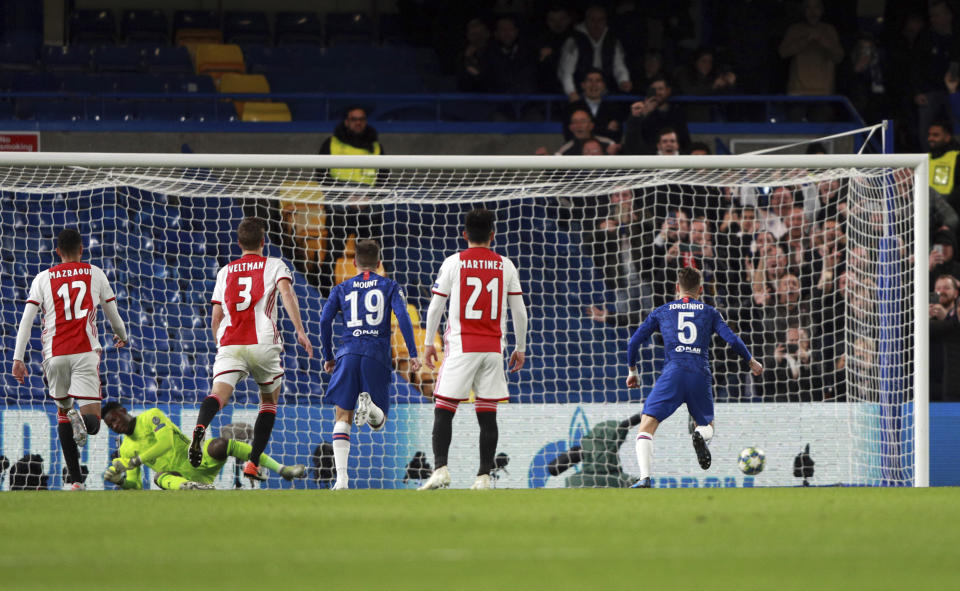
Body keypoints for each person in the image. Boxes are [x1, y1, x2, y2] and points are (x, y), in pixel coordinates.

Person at [189, 217, 313, 481]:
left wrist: (219, 344)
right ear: (263, 242)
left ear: (238, 243)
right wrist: (300, 331)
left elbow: (215, 317)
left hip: (230, 342)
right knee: (268, 402)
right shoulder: (275, 265)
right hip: (263, 342)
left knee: (218, 395)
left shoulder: (225, 271)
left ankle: (200, 426)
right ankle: (253, 463)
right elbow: (287, 294)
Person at [418, 208, 528, 490]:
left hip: (462, 347)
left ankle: (441, 468)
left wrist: (429, 343)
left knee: (444, 409)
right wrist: (521, 347)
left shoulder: (454, 262)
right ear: (493, 235)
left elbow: (435, 307)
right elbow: (520, 312)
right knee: (487, 413)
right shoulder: (506, 265)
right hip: (493, 349)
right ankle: (483, 478)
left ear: (464, 234)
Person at [11, 228, 128, 491]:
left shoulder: (43, 278)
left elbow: (26, 321)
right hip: (85, 353)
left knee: (63, 413)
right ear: (82, 249)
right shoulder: (94, 273)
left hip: (55, 355)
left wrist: (18, 358)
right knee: (94, 425)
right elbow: (112, 312)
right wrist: (122, 335)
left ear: (57, 251)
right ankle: (80, 421)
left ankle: (75, 481)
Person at [625, 267, 762, 488]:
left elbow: (633, 342)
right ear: (701, 289)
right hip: (700, 372)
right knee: (708, 426)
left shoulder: (662, 311)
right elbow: (732, 340)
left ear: (677, 288)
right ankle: (699, 434)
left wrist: (632, 371)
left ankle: (644, 478)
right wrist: (751, 361)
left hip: (673, 372)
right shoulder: (709, 312)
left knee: (647, 426)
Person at [319, 239, 421, 490]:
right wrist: (414, 352)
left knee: (342, 416)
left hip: (347, 353)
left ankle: (341, 480)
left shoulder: (341, 288)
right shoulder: (389, 286)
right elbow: (405, 319)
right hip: (376, 353)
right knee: (379, 421)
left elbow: (324, 321)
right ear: (379, 263)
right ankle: (371, 407)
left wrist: (328, 355)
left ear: (354, 262)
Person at [102, 402, 305, 490]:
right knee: (159, 477)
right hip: (177, 476)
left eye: (114, 419)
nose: (114, 425)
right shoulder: (126, 449)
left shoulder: (151, 416)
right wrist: (121, 481)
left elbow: (165, 443)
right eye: (110, 425)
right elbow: (136, 485)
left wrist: (135, 461)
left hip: (195, 460)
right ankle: (190, 487)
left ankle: (283, 469)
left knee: (220, 444)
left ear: (122, 410)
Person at [777, 0, 844, 121]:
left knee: (821, 135)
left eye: (816, 7)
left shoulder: (829, 30)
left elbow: (838, 57)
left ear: (822, 10)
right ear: (803, 10)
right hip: (797, 91)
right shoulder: (795, 29)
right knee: (797, 135)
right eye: (808, 8)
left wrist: (822, 41)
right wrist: (806, 39)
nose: (812, 12)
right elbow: (783, 53)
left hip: (823, 93)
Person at [557, 4, 632, 101]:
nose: (596, 24)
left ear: (605, 21)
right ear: (586, 21)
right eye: (592, 20)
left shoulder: (612, 40)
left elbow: (619, 66)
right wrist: (571, 92)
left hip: (604, 93)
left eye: (600, 20)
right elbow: (566, 72)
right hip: (578, 92)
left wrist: (624, 80)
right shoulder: (574, 40)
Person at [622, 76, 691, 155]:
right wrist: (643, 115)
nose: (657, 93)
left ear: (668, 90)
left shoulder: (677, 113)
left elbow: (685, 142)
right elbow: (632, 143)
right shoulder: (642, 114)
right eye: (654, 90)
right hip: (648, 160)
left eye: (660, 89)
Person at [565, 68, 624, 142]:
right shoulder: (572, 108)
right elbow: (568, 134)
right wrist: (604, 128)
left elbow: (617, 137)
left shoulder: (614, 108)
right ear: (583, 85)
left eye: (598, 81)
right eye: (590, 81)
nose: (594, 85)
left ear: (604, 86)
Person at [930, 274, 960, 401]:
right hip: (930, 382)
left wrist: (947, 316)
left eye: (946, 288)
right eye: (938, 288)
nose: (941, 291)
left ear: (955, 293)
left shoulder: (957, 316)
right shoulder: (925, 318)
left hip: (954, 384)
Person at [928, 121, 960, 210]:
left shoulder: (956, 157)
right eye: (929, 135)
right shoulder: (926, 158)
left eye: (936, 135)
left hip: (950, 208)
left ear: (947, 137)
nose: (930, 138)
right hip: (927, 207)